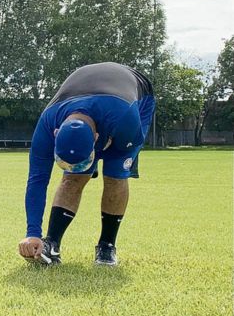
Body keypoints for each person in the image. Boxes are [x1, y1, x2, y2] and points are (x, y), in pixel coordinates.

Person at [18, 62, 156, 267]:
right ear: (56, 134)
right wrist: (32, 233)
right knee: (73, 177)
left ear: (97, 138)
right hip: (87, 95)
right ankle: (52, 243)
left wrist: (109, 149)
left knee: (115, 173)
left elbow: (123, 146)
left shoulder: (126, 122)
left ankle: (107, 245)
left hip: (132, 97)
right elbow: (37, 180)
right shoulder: (47, 124)